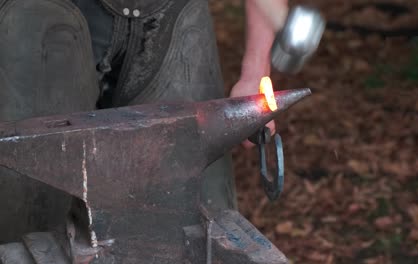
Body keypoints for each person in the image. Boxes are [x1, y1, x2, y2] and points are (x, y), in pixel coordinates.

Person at [0, 0, 284, 243]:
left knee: (203, 222)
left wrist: (256, 68)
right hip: (45, 12)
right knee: (26, 218)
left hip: (172, 16)